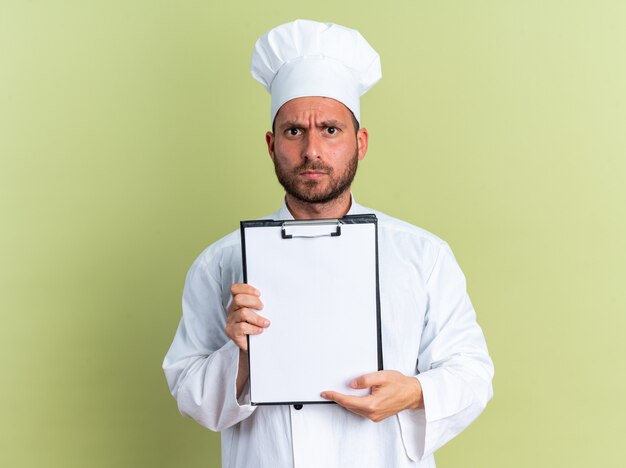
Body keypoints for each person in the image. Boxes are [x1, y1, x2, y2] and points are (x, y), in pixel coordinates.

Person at [163, 19, 494, 468]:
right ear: (271, 144)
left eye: (331, 131)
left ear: (360, 142)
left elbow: (472, 374)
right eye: (295, 131)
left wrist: (414, 392)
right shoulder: (223, 262)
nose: (312, 151)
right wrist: (239, 355)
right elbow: (190, 392)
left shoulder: (422, 255)